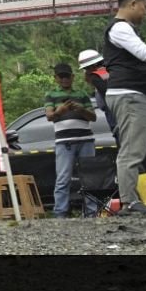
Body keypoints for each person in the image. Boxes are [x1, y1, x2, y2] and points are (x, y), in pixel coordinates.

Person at [102, 0, 146, 215]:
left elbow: (145, 65)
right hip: (131, 98)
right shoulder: (119, 27)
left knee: (135, 149)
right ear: (132, 3)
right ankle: (128, 202)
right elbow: (145, 53)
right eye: (144, 7)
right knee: (132, 151)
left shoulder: (128, 31)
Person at [80, 47, 146, 200]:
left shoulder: (99, 77)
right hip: (140, 118)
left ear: (89, 68)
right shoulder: (116, 71)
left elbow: (112, 98)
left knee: (138, 163)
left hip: (125, 123)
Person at [44, 62, 97, 218]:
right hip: (64, 141)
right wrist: (60, 111)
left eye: (67, 76)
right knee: (63, 178)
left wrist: (80, 110)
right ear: (56, 78)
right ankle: (60, 213)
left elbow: (93, 117)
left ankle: (92, 212)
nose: (64, 79)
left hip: (85, 139)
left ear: (73, 77)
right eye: (61, 76)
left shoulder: (82, 94)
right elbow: (49, 116)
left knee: (89, 177)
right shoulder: (50, 95)